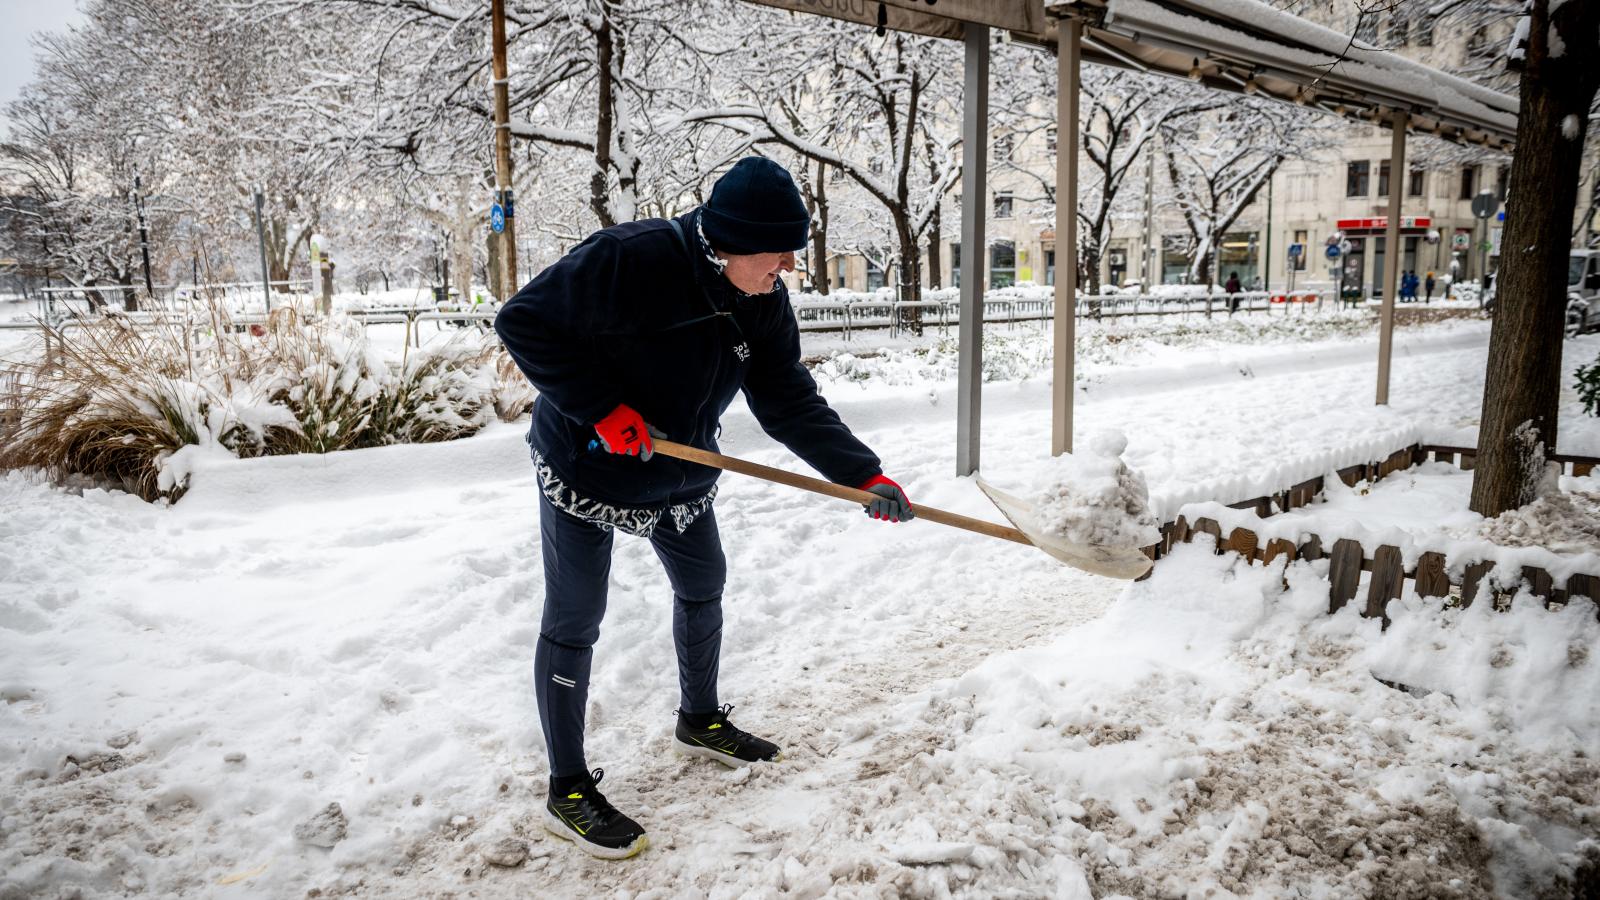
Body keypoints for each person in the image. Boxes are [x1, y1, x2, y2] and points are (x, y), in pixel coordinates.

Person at [494, 157, 914, 860]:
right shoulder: (628, 259)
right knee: (575, 619)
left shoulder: (763, 299)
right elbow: (524, 322)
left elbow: (786, 398)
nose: (786, 265)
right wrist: (600, 409)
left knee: (703, 586)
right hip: (588, 466)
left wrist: (862, 474)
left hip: (682, 469)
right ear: (727, 242)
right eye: (776, 252)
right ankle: (567, 788)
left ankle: (700, 719)